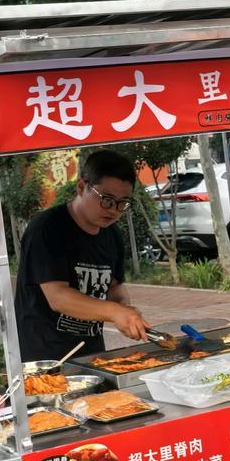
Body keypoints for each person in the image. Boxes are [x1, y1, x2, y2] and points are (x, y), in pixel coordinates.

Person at [14, 148, 152, 361]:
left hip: (92, 355)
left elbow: (115, 287)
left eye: (122, 203)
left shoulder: (112, 234)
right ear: (81, 187)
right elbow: (58, 297)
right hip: (45, 357)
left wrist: (126, 311)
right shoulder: (47, 228)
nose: (114, 210)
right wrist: (114, 312)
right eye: (106, 199)